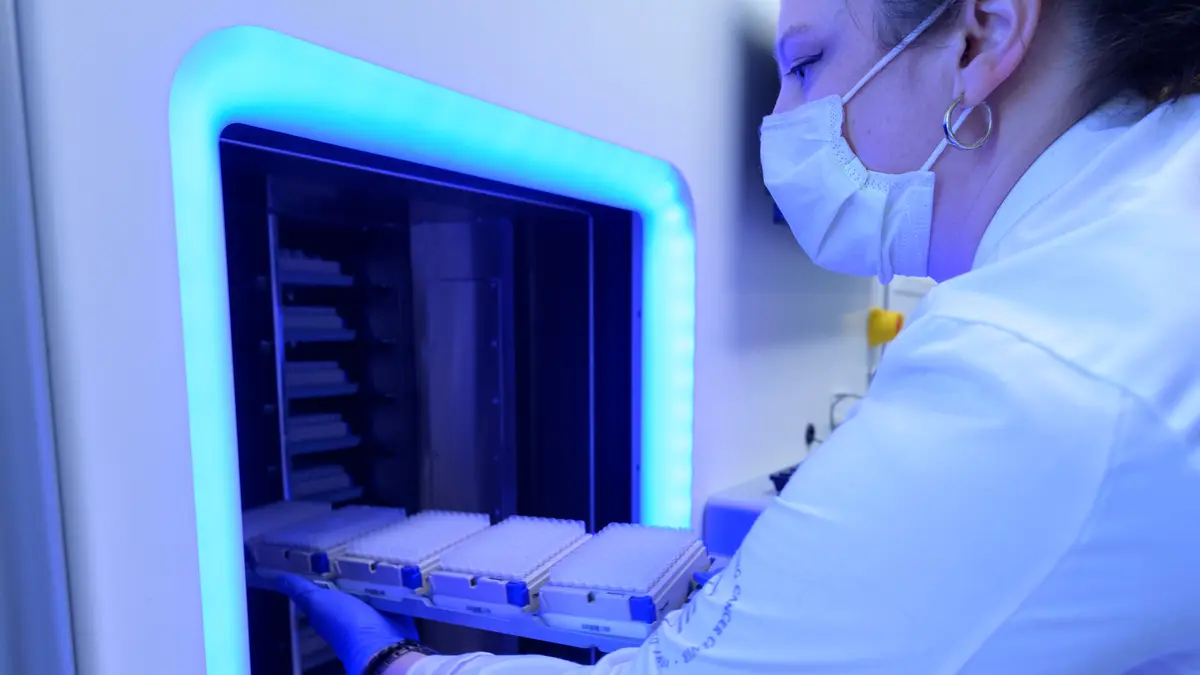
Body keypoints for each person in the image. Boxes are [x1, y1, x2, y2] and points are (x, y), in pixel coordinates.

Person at [275, 0, 1200, 672]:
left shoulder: (1039, 365)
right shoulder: (1147, 212)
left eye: (805, 64)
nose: (782, 122)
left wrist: (400, 662)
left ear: (983, 31)